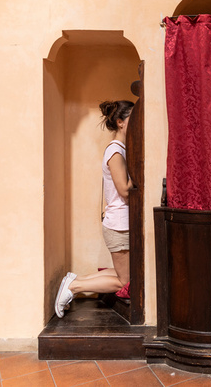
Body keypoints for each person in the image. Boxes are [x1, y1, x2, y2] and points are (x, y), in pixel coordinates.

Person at [55, 100, 135, 318]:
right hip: (119, 223)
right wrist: (141, 177)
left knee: (126, 274)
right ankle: (73, 287)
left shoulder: (120, 149)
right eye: (132, 119)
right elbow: (125, 191)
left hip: (119, 222)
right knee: (124, 280)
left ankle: (74, 281)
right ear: (120, 122)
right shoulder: (116, 152)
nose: (137, 123)